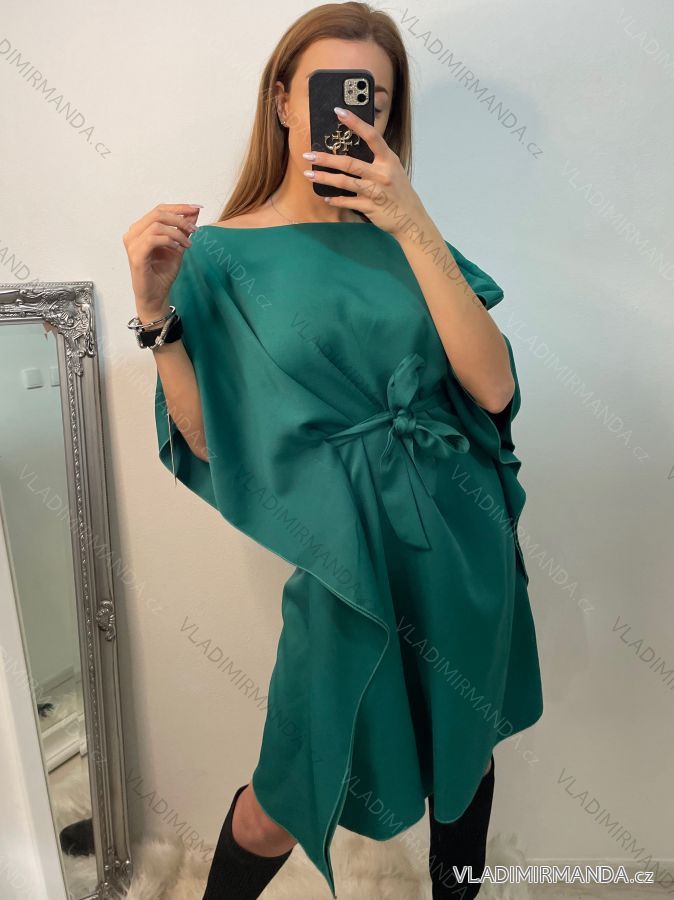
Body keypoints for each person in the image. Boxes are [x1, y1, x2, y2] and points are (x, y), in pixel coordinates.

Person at [122, 3, 544, 898]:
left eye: (372, 101)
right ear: (283, 101)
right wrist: (155, 314)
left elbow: (492, 387)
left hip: (463, 540)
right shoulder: (220, 255)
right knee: (286, 787)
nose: (351, 116)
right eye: (329, 93)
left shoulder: (410, 236)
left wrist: (411, 221)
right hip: (345, 560)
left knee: (464, 760)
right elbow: (206, 440)